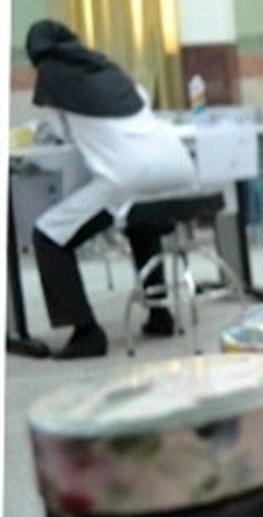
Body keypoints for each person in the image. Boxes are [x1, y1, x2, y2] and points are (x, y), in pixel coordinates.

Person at [26, 20, 196, 358]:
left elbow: (61, 134)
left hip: (128, 176)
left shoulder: (52, 76)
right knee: (141, 222)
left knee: (48, 236)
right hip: (178, 169)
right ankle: (159, 313)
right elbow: (141, 101)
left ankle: (86, 332)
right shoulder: (107, 68)